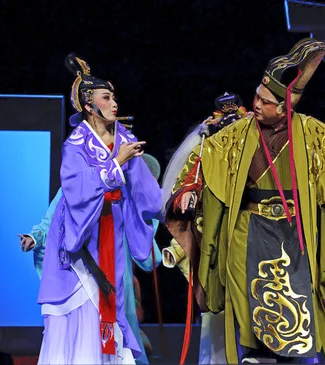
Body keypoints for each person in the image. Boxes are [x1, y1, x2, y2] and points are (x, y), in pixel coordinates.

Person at [183, 38, 325, 364]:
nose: (256, 104)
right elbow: (205, 157)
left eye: (265, 101)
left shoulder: (312, 132)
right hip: (248, 230)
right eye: (257, 98)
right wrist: (190, 189)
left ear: (285, 107)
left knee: (298, 304)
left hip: (295, 232)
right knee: (250, 306)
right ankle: (252, 354)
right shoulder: (237, 134)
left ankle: (298, 358)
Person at [36, 53, 162, 364]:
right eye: (107, 97)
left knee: (113, 304)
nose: (114, 103)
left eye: (114, 96)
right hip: (84, 238)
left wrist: (170, 204)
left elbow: (147, 195)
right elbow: (75, 191)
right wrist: (116, 162)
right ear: (90, 106)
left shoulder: (125, 138)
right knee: (84, 307)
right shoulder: (76, 144)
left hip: (114, 233)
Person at [19, 154, 163, 365]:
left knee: (119, 343)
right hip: (82, 275)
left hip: (115, 280)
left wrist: (146, 216)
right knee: (81, 339)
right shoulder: (74, 187)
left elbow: (148, 258)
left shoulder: (125, 200)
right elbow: (50, 221)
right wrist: (35, 237)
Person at [161, 92, 251, 364]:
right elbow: (186, 182)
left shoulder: (256, 150)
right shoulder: (206, 151)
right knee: (217, 301)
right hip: (215, 234)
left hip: (252, 230)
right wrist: (188, 194)